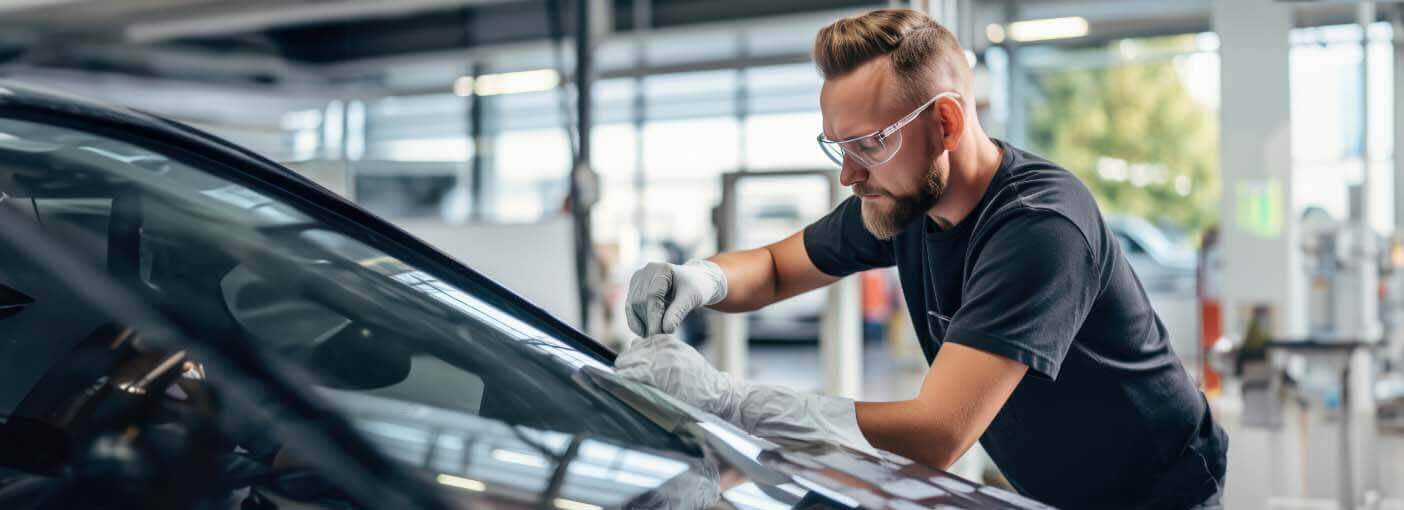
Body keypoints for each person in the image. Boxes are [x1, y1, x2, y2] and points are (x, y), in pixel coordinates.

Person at [614, 8, 1227, 509]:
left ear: (945, 124)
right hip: (1052, 490)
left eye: (870, 143)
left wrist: (729, 402)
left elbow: (938, 433)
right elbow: (777, 266)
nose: (850, 174)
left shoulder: (1040, 227)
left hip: (1155, 495)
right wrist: (699, 278)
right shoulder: (904, 199)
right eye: (837, 146)